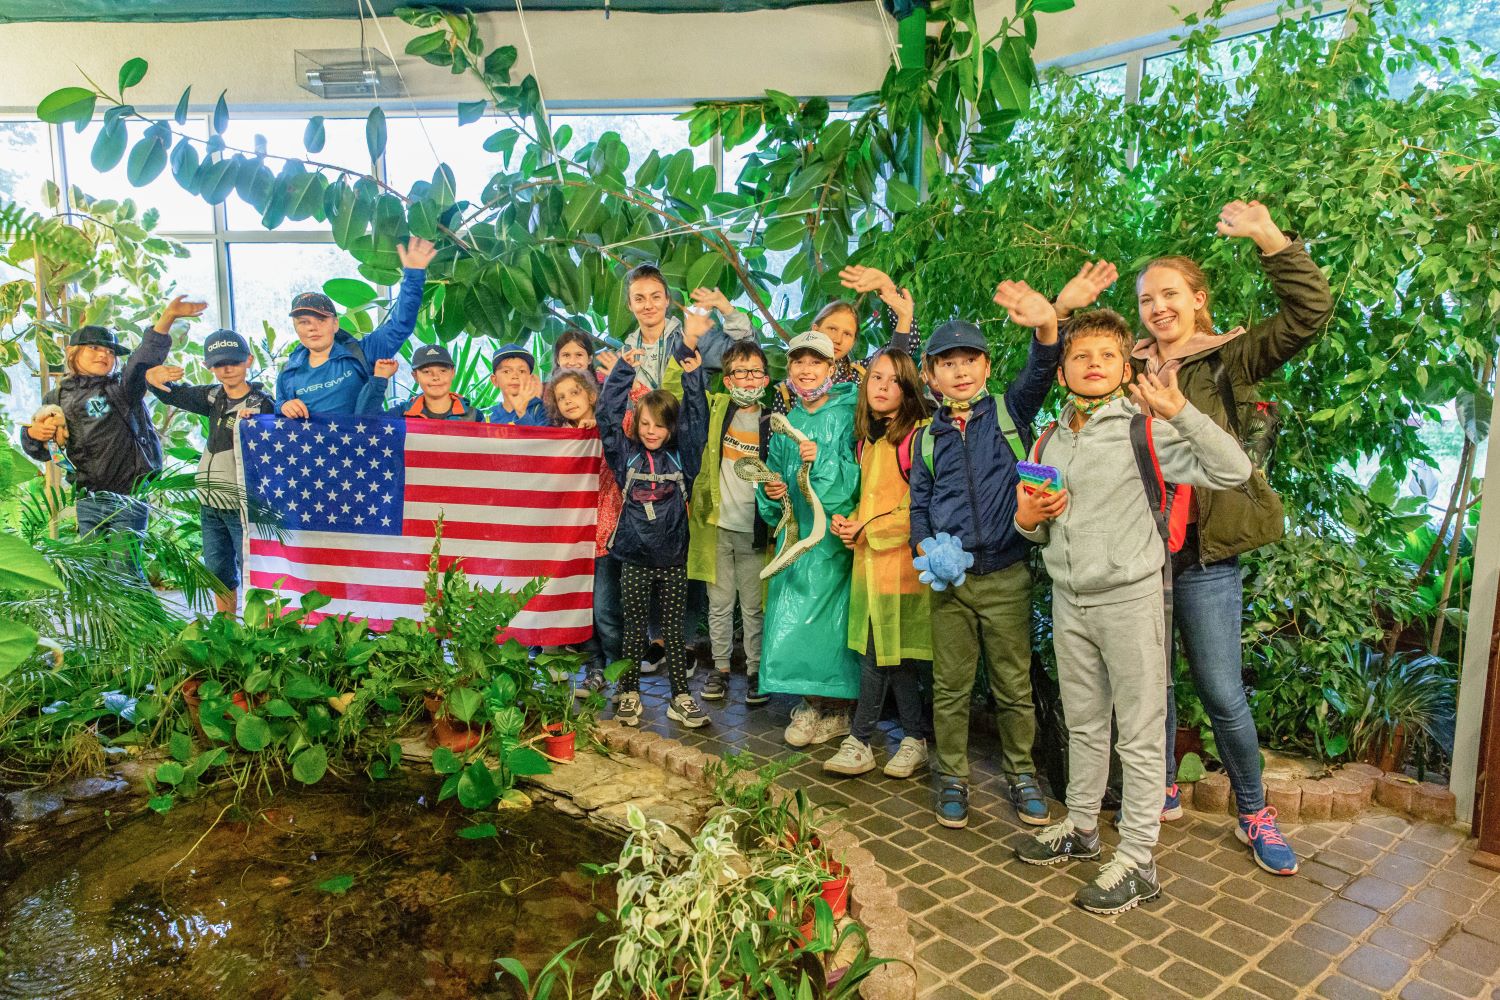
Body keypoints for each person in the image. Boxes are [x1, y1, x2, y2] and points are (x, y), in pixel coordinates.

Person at [1058, 200, 1334, 877]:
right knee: (1147, 687)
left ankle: (1254, 811)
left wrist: (1271, 240)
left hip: (1202, 552)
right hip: (1135, 556)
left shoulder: (1225, 359)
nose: (1157, 308)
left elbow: (1308, 315)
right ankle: (1159, 793)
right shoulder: (1128, 367)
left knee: (1219, 687)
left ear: (1198, 300)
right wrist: (1062, 314)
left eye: (1170, 295)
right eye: (1147, 299)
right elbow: (1074, 372)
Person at [1011, 305, 1252, 915]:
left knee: (1141, 736)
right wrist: (1028, 519)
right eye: (1080, 356)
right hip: (1069, 600)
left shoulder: (1145, 430)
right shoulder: (1050, 438)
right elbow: (1035, 528)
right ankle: (1082, 826)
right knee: (1085, 723)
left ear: (1126, 369)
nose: (1092, 364)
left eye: (1106, 356)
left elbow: (1234, 469)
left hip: (1130, 598)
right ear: (1062, 371)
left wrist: (1181, 411)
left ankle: (1140, 859)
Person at [906, 302, 1065, 830]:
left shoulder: (1007, 412)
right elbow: (919, 506)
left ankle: (1022, 774)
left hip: (1007, 575)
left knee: (1013, 686)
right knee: (950, 687)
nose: (960, 371)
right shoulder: (927, 438)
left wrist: (1047, 326)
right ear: (931, 375)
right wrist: (926, 551)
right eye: (947, 363)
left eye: (970, 359)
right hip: (949, 585)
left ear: (987, 366)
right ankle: (952, 777)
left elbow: (1041, 368)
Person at [20, 296, 206, 579]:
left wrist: (167, 317)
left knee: (125, 570)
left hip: (128, 495)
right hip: (88, 497)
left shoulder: (123, 387)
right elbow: (45, 450)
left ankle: (141, 610)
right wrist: (33, 434)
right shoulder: (56, 397)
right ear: (72, 352)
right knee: (96, 574)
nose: (103, 355)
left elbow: (142, 360)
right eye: (94, 348)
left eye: (109, 351)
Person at [824, 348, 934, 779]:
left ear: (908, 389)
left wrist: (867, 529)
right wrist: (850, 521)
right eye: (876, 378)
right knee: (896, 658)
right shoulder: (869, 440)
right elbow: (870, 500)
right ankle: (915, 738)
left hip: (901, 567)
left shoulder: (918, 436)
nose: (882, 387)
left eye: (893, 380)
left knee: (877, 654)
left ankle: (860, 740)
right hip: (871, 565)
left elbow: (918, 508)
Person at [596, 344, 711, 730]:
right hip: (633, 559)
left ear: (671, 428)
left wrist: (693, 377)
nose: (650, 431)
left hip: (673, 560)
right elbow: (607, 416)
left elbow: (697, 421)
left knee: (674, 633)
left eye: (659, 425)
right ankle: (629, 692)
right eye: (645, 423)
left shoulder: (685, 457)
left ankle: (681, 697)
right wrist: (622, 373)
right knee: (633, 631)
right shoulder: (624, 455)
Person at [758, 331, 863, 747]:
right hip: (796, 538)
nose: (806, 370)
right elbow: (773, 472)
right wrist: (771, 491)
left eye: (815, 362)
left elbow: (858, 478)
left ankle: (837, 709)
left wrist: (823, 462)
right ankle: (809, 704)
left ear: (831, 367)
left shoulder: (850, 412)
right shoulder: (789, 420)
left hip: (835, 538)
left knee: (832, 627)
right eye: (798, 361)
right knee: (795, 621)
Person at [144, 328, 276, 612]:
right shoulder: (213, 397)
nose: (227, 369)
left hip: (243, 505)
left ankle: (262, 630)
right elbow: (173, 395)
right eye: (219, 363)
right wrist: (152, 378)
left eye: (234, 361)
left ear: (248, 361)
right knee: (218, 571)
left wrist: (259, 421)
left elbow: (278, 442)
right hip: (210, 503)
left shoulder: (263, 404)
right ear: (208, 366)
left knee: (254, 570)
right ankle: (225, 627)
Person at [687, 340, 773, 707]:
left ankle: (756, 671)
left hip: (755, 530)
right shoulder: (716, 410)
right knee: (719, 604)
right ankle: (720, 669)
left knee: (753, 607)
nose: (748, 379)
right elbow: (690, 399)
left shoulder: (773, 420)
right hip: (717, 527)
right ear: (727, 379)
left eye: (755, 372)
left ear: (766, 379)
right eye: (740, 372)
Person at [276, 237, 437, 418]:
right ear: (295, 327)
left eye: (321, 320)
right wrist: (283, 406)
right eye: (304, 322)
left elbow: (400, 325)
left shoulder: (363, 352)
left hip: (362, 437)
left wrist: (413, 275)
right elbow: (278, 411)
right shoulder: (288, 372)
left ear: (335, 324)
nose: (312, 328)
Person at [545, 368, 625, 699]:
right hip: (574, 539)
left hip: (606, 536)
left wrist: (600, 427)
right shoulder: (559, 440)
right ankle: (595, 669)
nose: (568, 401)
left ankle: (622, 673)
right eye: (561, 397)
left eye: (574, 393)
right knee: (584, 610)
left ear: (591, 395)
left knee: (605, 610)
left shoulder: (609, 429)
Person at [770, 265, 919, 415]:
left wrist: (889, 291)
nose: (838, 339)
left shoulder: (863, 374)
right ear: (815, 330)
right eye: (832, 329)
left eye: (847, 334)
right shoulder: (787, 391)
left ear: (854, 341)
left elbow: (902, 351)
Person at [359, 344, 485, 421]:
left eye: (442, 371)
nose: (435, 377)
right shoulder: (403, 414)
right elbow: (366, 424)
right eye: (426, 372)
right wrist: (380, 378)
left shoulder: (474, 416)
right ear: (415, 376)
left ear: (453, 373)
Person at [488, 343, 548, 426]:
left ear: (530, 379)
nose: (515, 376)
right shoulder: (488, 420)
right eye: (506, 371)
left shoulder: (542, 412)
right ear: (495, 380)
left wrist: (522, 413)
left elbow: (542, 434)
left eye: (522, 371)